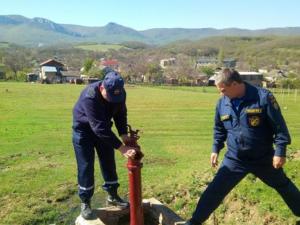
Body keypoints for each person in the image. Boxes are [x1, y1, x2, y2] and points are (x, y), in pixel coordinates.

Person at [185, 68, 300, 225]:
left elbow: (280, 129)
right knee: (214, 190)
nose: (221, 94)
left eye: (224, 90)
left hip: (263, 158)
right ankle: (194, 222)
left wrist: (280, 152)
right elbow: (219, 129)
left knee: (284, 186)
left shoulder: (263, 97)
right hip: (235, 159)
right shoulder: (222, 103)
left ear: (234, 84)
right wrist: (215, 149)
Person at [72, 71, 137, 220]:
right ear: (102, 88)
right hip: (84, 132)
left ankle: (112, 195)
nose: (114, 100)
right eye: (111, 97)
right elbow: (98, 128)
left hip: (104, 130)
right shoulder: (90, 96)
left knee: (108, 162)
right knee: (86, 166)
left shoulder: (120, 92)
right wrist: (122, 148)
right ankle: (86, 202)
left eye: (117, 97)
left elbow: (121, 113)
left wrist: (123, 134)